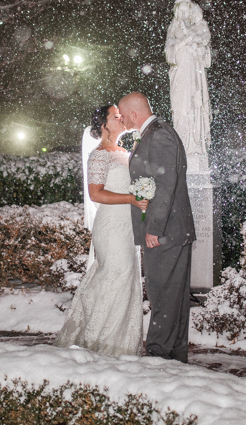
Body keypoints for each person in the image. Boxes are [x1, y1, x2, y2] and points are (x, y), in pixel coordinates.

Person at [54, 104, 148, 357]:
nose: (121, 119)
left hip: (127, 227)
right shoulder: (99, 155)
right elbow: (96, 194)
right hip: (110, 227)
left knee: (126, 279)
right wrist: (130, 198)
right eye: (116, 116)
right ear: (104, 125)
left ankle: (122, 343)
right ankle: (100, 341)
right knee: (114, 275)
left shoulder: (124, 151)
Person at [117, 92, 196, 363]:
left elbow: (165, 185)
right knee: (172, 295)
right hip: (172, 230)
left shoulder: (159, 135)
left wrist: (154, 228)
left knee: (163, 294)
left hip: (166, 232)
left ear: (134, 114)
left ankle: (157, 356)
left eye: (123, 114)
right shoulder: (153, 132)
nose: (122, 119)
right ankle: (174, 354)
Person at [165, 0, 212, 156]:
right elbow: (169, 52)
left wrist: (202, 50)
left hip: (194, 74)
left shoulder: (196, 28)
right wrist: (184, 41)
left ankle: (195, 146)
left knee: (194, 106)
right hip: (180, 75)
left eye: (187, 12)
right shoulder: (174, 29)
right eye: (181, 12)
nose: (184, 16)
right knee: (180, 109)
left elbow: (206, 57)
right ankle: (183, 144)